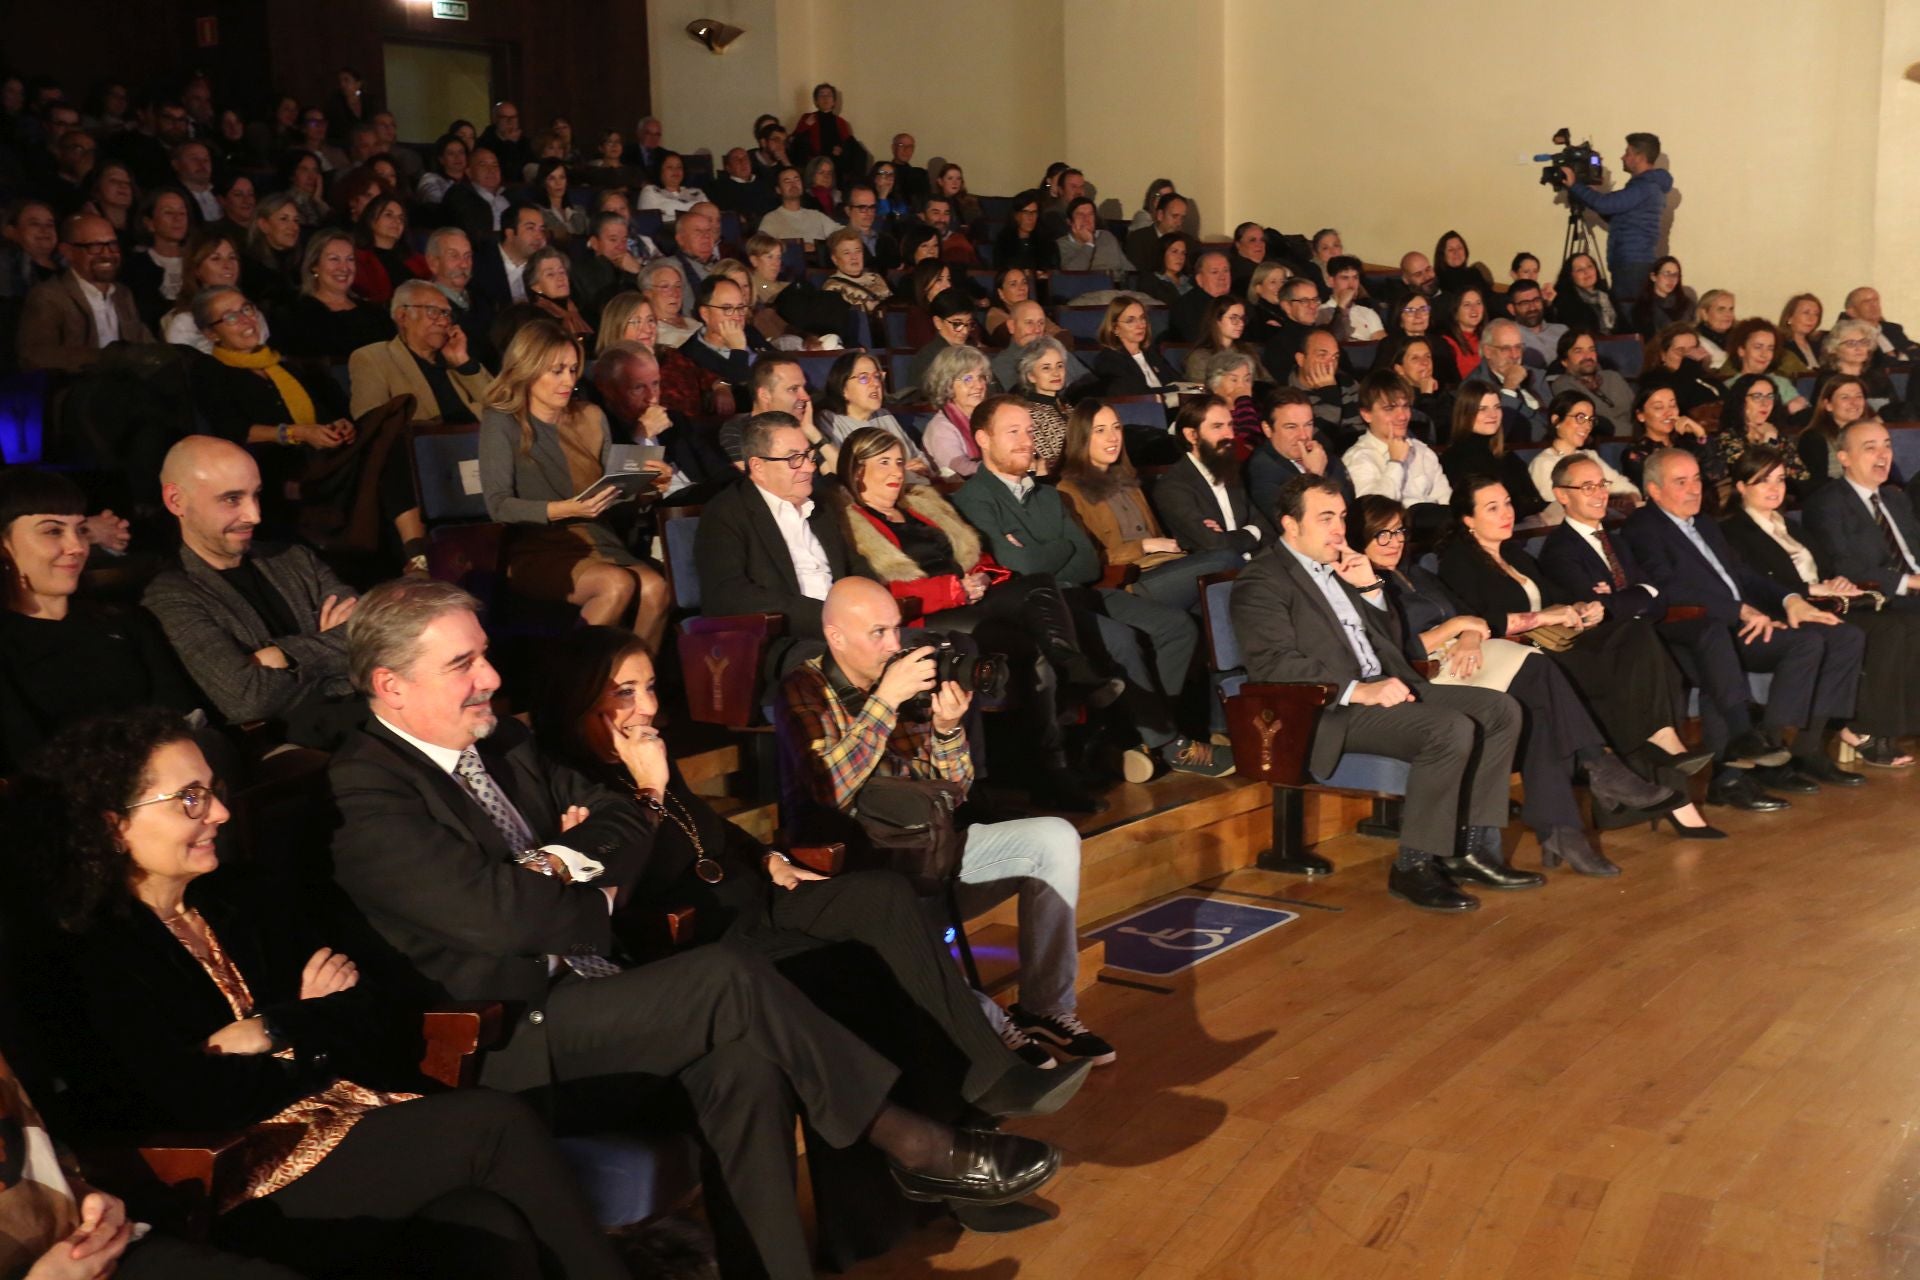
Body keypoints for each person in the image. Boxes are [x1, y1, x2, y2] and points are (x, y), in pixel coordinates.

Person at [323, 581, 1059, 1280]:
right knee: (728, 979)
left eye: (483, 653)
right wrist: (595, 860)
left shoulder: (505, 745)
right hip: (512, 1030)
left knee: (744, 1064)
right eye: (462, 663)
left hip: (599, 989)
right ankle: (914, 1142)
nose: (488, 675)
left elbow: (618, 814)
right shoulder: (369, 794)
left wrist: (566, 858)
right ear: (392, 684)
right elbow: (515, 917)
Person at [10, 708, 645, 1280]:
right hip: (233, 1178)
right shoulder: (87, 953)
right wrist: (309, 1026)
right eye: (191, 800)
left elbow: (370, 1012)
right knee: (493, 1123)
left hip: (345, 1121)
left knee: (484, 1225)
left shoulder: (241, 898)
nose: (222, 814)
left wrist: (274, 1032)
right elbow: (185, 1097)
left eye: (216, 792)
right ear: (114, 827)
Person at [1230, 474, 1529, 908]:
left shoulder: (1340, 566)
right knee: (1448, 730)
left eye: (1343, 517)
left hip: (1385, 687)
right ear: (1290, 526)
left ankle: (1470, 849)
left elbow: (1389, 645)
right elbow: (1274, 664)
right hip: (1325, 710)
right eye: (1326, 518)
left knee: (1500, 710)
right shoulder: (1262, 581)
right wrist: (1357, 690)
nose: (1339, 529)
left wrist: (1370, 589)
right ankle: (1413, 866)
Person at [1354, 493, 1686, 873]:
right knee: (1539, 670)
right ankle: (1598, 768)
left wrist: (1468, 633)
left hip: (1468, 655)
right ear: (1359, 538)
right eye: (1382, 534)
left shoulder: (1417, 574)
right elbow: (1385, 649)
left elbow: (1472, 618)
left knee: (1539, 715)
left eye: (1398, 532)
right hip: (1424, 673)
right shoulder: (1361, 584)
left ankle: (1563, 830)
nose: (1394, 541)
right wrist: (1455, 628)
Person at [828, 429, 1118, 812]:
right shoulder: (852, 524)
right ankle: (1070, 703)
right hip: (926, 614)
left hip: (969, 599)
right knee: (1037, 611)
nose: (895, 471)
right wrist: (953, 590)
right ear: (857, 469)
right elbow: (881, 593)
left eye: (899, 461)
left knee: (1038, 608)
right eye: (883, 462)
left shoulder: (920, 504)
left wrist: (980, 577)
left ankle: (1053, 762)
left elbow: (972, 554)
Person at [951, 396, 1230, 782]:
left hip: (1079, 590)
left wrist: (1047, 550)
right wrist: (1057, 549)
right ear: (982, 439)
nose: (1025, 440)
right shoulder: (971, 499)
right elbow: (1022, 566)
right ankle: (1170, 744)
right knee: (1121, 640)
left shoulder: (1049, 495)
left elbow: (1085, 562)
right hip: (1036, 606)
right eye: (1012, 432)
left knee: (1177, 628)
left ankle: (1139, 734)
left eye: (1029, 431)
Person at [1439, 475, 1719, 825]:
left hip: (1558, 644)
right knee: (1630, 672)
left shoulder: (1516, 556)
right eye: (1492, 508)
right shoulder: (1458, 562)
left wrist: (1584, 607)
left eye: (1508, 503)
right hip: (1526, 660)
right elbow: (1483, 621)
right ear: (1468, 520)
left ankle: (1662, 742)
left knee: (1636, 633)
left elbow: (1559, 596)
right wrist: (1544, 615)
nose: (1506, 513)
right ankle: (1643, 761)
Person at [1620, 447, 1867, 800]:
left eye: (1696, 480)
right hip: (1696, 627)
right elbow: (1668, 587)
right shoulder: (1644, 527)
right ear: (1654, 490)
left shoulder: (1704, 523)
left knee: (1843, 636)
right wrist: (1739, 611)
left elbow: (1743, 574)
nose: (1694, 489)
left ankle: (1797, 750)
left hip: (1741, 619)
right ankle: (1758, 758)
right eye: (1680, 482)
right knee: (1803, 644)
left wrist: (1790, 600)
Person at [139, 437, 366, 749]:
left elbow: (376, 634)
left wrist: (284, 655)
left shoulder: (294, 558)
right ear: (176, 500)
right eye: (232, 499)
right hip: (298, 753)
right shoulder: (170, 597)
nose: (254, 515)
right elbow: (246, 699)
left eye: (256, 495)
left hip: (368, 717)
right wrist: (335, 650)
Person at [1728, 442, 1919, 769]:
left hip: (1828, 604)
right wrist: (1809, 588)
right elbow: (1755, 583)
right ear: (1742, 487)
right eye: (1763, 481)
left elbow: (1828, 567)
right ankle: (1838, 735)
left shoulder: (1792, 526)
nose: (1775, 488)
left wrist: (1836, 582)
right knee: (1879, 629)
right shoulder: (1732, 531)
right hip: (1780, 611)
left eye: (1780, 479)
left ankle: (1811, 747)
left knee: (1890, 626)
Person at [477, 320, 669, 645]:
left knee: (656, 588)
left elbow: (612, 495)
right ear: (528, 369)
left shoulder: (590, 416)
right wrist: (562, 509)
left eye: (572, 369)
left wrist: (646, 488)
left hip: (598, 539)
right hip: (537, 544)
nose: (567, 380)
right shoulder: (502, 421)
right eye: (556, 371)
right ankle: (570, 684)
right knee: (616, 584)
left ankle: (629, 683)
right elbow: (498, 505)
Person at [0, 468, 199, 774]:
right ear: (4, 545)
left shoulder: (124, 621)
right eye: (53, 531)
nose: (78, 546)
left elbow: (178, 713)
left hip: (168, 781)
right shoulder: (9, 646)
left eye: (80, 530)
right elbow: (29, 761)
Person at [695, 410, 854, 676]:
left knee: (922, 650)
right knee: (849, 666)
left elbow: (854, 566)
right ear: (758, 466)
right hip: (782, 640)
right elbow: (726, 596)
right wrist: (826, 616)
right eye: (794, 459)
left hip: (850, 628)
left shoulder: (823, 507)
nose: (810, 467)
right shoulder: (726, 513)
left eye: (809, 456)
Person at [1056, 399, 1238, 614]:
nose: (1113, 437)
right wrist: (1143, 546)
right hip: (1128, 579)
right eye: (1100, 430)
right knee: (1226, 558)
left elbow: (1162, 538)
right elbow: (1089, 560)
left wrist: (1200, 528)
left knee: (1212, 605)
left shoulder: (1127, 480)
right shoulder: (1069, 491)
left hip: (1164, 565)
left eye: (1116, 428)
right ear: (1082, 438)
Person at [590, 342, 731, 502]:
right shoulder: (599, 431)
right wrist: (641, 436)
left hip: (702, 506)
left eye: (655, 384)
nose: (653, 397)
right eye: (638, 388)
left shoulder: (675, 420)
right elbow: (619, 496)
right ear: (608, 389)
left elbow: (720, 471)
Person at [17, 212, 155, 372]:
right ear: (67, 251)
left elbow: (145, 342)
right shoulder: (49, 296)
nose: (107, 254)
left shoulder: (123, 294)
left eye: (112, 245)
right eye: (94, 247)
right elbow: (34, 355)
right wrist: (106, 358)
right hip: (79, 391)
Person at [350, 277, 489, 431]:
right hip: (420, 451)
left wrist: (463, 363)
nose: (444, 322)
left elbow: (504, 408)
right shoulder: (372, 358)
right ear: (402, 316)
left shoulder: (458, 360)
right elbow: (371, 424)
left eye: (447, 314)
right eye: (433, 312)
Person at [1152, 396, 1277, 563]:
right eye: (1217, 427)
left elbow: (1268, 531)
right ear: (1191, 435)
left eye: (1231, 425)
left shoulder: (1231, 471)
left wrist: (1233, 535)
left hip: (1257, 567)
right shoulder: (1172, 487)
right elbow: (1215, 546)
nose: (1230, 435)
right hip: (1215, 580)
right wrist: (1253, 531)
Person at [1561, 132, 1672, 308]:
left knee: (1627, 315)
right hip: (1632, 262)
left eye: (1627, 153)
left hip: (1632, 266)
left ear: (1639, 157)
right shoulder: (1645, 186)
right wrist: (1588, 193)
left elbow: (1606, 205)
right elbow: (1616, 215)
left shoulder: (1645, 187)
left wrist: (1575, 185)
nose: (1622, 157)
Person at [1342, 371, 1451, 518]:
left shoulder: (1422, 451)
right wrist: (1396, 463)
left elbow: (1446, 502)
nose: (1402, 416)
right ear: (1366, 414)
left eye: (1405, 406)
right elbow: (1374, 514)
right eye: (1390, 408)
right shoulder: (1359, 458)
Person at [275, 229, 395, 362]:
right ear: (314, 265)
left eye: (350, 259)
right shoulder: (295, 315)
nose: (344, 268)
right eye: (334, 259)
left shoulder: (375, 313)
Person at [815, 350, 932, 478]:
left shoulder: (884, 415)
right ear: (843, 389)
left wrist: (922, 467)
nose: (875, 384)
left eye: (877, 376)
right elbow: (844, 473)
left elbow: (918, 457)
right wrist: (900, 469)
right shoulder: (829, 420)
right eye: (864, 378)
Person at [1526, 390, 1638, 519]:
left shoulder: (1589, 456)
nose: (1587, 426)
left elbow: (1627, 488)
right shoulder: (1544, 463)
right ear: (1556, 420)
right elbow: (1556, 513)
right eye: (1580, 418)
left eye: (1590, 420)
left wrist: (1628, 499)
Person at [1442, 382, 1544, 521]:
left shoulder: (1505, 455)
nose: (1492, 414)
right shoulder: (1455, 458)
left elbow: (1532, 498)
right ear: (1465, 413)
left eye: (1497, 407)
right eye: (1482, 409)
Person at [1247, 387, 1354, 518]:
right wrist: (1315, 476)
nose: (1303, 436)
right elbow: (1296, 524)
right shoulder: (1262, 470)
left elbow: (1350, 509)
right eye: (1291, 427)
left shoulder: (1323, 455)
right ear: (1267, 429)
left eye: (1308, 425)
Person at [160, 227, 268, 353]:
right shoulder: (184, 323)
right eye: (216, 259)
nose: (227, 265)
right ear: (196, 269)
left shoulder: (253, 314)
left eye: (232, 257)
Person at [1710, 374, 1810, 509]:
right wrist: (1770, 442)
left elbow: (1802, 477)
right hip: (1743, 507)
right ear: (1741, 401)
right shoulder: (1728, 437)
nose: (1765, 403)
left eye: (1770, 396)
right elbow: (1757, 475)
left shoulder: (1779, 434)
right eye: (1757, 397)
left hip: (1783, 503)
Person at [919, 342, 994, 477]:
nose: (978, 385)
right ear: (947, 384)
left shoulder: (989, 417)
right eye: (967, 378)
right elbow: (962, 470)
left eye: (981, 377)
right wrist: (1005, 468)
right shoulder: (941, 428)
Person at [1088, 295, 1180, 403]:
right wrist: (1172, 392)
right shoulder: (1108, 360)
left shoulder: (1151, 353)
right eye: (1130, 321)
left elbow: (1177, 381)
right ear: (1115, 328)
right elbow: (1136, 394)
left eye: (1142, 318)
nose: (1140, 325)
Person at [989, 300, 1092, 396]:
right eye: (1029, 323)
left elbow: (1090, 383)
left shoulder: (1056, 352)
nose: (1037, 330)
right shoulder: (999, 364)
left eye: (1041, 323)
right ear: (1011, 326)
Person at [1548, 327, 1634, 437]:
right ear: (1565, 361)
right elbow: (1593, 422)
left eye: (1591, 349)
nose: (1588, 356)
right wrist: (1635, 432)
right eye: (1578, 351)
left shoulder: (1613, 376)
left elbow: (1637, 409)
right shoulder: (1562, 384)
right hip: (1606, 442)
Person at [1717, 318, 1812, 418]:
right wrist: (1786, 411)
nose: (1764, 354)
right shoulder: (1728, 387)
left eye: (1770, 348)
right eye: (1758, 347)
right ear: (1741, 350)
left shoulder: (1781, 383)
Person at [1477, 317, 1550, 440]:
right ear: (1488, 351)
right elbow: (1497, 434)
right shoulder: (1477, 385)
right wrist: (1509, 389)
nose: (1515, 355)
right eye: (1505, 349)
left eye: (1518, 347)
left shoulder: (1537, 376)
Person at [901, 288, 979, 399]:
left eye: (969, 324)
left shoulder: (973, 353)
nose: (965, 331)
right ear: (938, 322)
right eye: (957, 324)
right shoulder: (927, 359)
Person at [1818, 317, 1905, 415]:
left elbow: (1895, 410)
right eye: (1851, 343)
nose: (1859, 348)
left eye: (1864, 342)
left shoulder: (1878, 377)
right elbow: (1819, 415)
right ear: (1834, 349)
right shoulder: (1827, 379)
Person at [1798, 375, 1872, 487]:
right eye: (1845, 397)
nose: (1854, 402)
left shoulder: (1872, 434)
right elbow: (1817, 484)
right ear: (1828, 405)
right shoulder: (1813, 438)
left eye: (1859, 396)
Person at [1184, 294, 1272, 387]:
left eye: (1242, 318)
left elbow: (1268, 382)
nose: (1241, 323)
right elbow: (1202, 394)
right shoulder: (1200, 357)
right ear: (1217, 320)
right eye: (1234, 318)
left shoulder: (1248, 351)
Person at [1636, 322, 1723, 416]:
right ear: (1663, 355)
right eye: (1680, 351)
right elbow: (1680, 405)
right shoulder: (1653, 382)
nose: (1688, 356)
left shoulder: (1705, 377)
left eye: (1693, 349)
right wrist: (1689, 366)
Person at [442, 146, 510, 241]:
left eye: (495, 165)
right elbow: (475, 236)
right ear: (469, 172)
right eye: (483, 165)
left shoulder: (511, 195)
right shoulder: (460, 195)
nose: (491, 170)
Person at [821, 226, 890, 316]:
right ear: (835, 259)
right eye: (847, 253)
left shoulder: (875, 277)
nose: (854, 257)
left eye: (858, 251)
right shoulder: (832, 288)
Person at [1169, 246, 1232, 343]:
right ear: (1199, 279)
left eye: (1226, 271)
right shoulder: (1185, 306)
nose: (1222, 277)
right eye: (1215, 272)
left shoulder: (1239, 303)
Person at [1316, 255, 1385, 342]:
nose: (1351, 285)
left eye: (1355, 278)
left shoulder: (1367, 313)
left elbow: (1381, 346)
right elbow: (1329, 342)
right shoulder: (1320, 312)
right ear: (1331, 281)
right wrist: (1341, 306)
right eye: (1345, 278)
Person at [1547, 252, 1617, 334]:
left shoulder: (1607, 296)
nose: (1586, 272)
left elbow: (1625, 329)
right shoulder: (1564, 301)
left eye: (1590, 266)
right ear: (1570, 276)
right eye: (1579, 270)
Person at [1125, 190, 1189, 280]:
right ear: (1160, 215)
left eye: (1182, 218)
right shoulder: (1138, 239)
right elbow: (1137, 276)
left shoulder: (1188, 241)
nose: (1179, 223)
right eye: (1174, 216)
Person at [1055, 197, 1128, 274]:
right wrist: (1089, 244)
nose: (1086, 219)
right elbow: (1071, 275)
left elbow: (1129, 269)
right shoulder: (1061, 245)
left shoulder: (1106, 236)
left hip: (1116, 284)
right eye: (1080, 215)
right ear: (1069, 222)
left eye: (1090, 214)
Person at [1841, 285, 1917, 359]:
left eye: (1876, 300)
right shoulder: (1847, 335)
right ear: (1852, 311)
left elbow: (1912, 349)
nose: (1874, 305)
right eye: (1866, 302)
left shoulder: (1893, 329)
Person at [1504, 278, 1566, 365]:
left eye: (1536, 300)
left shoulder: (1562, 330)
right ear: (1512, 309)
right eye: (1525, 303)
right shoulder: (1507, 337)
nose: (1532, 308)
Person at [635, 150, 706, 225]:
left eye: (679, 167)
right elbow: (655, 219)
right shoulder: (650, 191)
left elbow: (710, 212)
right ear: (659, 170)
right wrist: (698, 209)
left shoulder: (696, 192)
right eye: (669, 167)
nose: (676, 170)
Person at [1628, 256, 1694, 337]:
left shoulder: (1687, 305)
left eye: (1675, 275)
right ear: (1653, 277)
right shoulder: (1641, 308)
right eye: (1667, 274)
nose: (1671, 279)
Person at [1136, 232, 1191, 310]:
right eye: (1174, 251)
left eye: (1183, 253)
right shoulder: (1149, 281)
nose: (1180, 257)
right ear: (1162, 254)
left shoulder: (1190, 279)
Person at [1776, 292, 1825, 374]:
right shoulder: (1780, 345)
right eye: (1806, 313)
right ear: (1789, 317)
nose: (1811, 319)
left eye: (1816, 314)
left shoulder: (1820, 343)